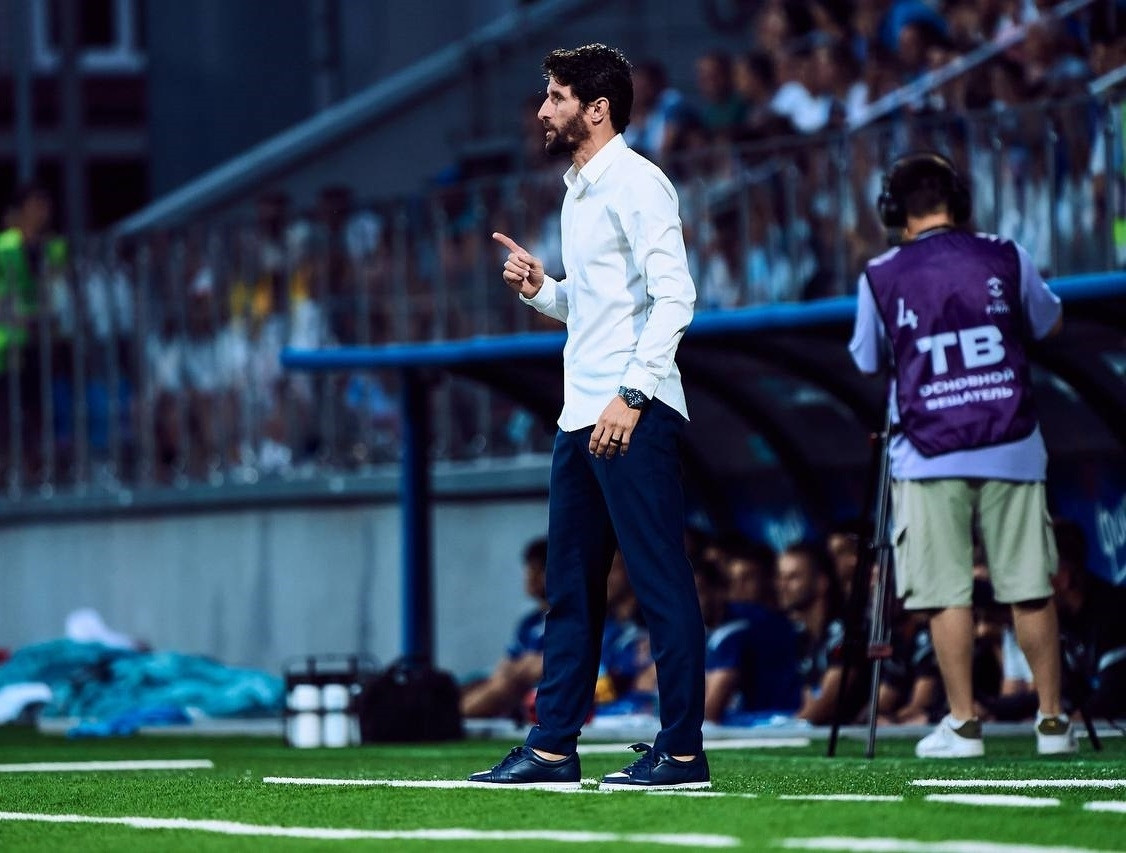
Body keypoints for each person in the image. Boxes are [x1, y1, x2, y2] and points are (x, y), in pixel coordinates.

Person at [470, 43, 707, 790]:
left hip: (631, 412)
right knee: (569, 589)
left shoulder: (639, 182)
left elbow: (676, 297)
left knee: (659, 581)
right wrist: (543, 288)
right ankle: (551, 747)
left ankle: (683, 752)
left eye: (556, 96)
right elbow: (598, 306)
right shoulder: (579, 189)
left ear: (596, 108)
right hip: (581, 416)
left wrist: (632, 396)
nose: (543, 110)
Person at [849, 150, 1072, 758]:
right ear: (960, 202)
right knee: (1028, 585)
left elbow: (867, 360)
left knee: (946, 591)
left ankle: (965, 726)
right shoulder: (1006, 254)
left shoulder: (881, 273)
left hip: (927, 451)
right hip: (1011, 442)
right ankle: (1053, 724)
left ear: (894, 212)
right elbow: (1049, 323)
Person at [460, 537, 549, 720]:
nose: (530, 577)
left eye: (539, 570)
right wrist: (522, 667)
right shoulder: (529, 622)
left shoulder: (572, 620)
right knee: (472, 682)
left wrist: (532, 666)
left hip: (538, 693)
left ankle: (450, 717)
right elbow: (506, 666)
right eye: (529, 569)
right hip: (517, 688)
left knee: (505, 687)